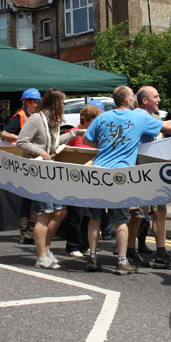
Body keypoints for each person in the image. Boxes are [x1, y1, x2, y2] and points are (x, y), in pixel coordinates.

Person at [83, 86, 171, 275]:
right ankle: (122, 262)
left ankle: (93, 258)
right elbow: (168, 127)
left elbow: (87, 141)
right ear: (127, 100)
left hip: (98, 171)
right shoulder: (139, 117)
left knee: (95, 218)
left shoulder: (102, 117)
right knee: (120, 220)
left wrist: (106, 147)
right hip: (120, 174)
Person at [17, 88, 85, 270]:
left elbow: (54, 144)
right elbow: (22, 141)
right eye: (62, 102)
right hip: (38, 171)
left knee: (60, 211)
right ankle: (41, 256)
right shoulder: (36, 119)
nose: (64, 105)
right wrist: (41, 153)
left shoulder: (52, 121)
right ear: (55, 103)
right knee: (44, 213)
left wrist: (74, 134)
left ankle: (46, 249)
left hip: (51, 172)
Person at [125, 86, 171, 271]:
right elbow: (169, 126)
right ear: (144, 100)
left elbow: (165, 132)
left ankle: (161, 253)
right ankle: (129, 251)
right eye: (156, 97)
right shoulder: (139, 115)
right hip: (141, 171)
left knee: (160, 212)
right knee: (138, 215)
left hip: (155, 170)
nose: (159, 99)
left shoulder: (152, 117)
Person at [58, 103, 103, 262]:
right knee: (76, 213)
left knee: (88, 214)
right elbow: (60, 152)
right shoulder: (73, 133)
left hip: (91, 178)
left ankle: (84, 244)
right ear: (85, 120)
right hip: (74, 178)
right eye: (94, 121)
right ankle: (73, 246)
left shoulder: (95, 135)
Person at [1, 88, 42, 244]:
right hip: (24, 161)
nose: (35, 104)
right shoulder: (20, 117)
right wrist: (20, 138)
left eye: (37, 102)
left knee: (33, 198)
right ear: (26, 102)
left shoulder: (37, 117)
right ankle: (25, 232)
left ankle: (30, 232)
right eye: (33, 102)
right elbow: (5, 133)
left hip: (33, 160)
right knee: (27, 198)